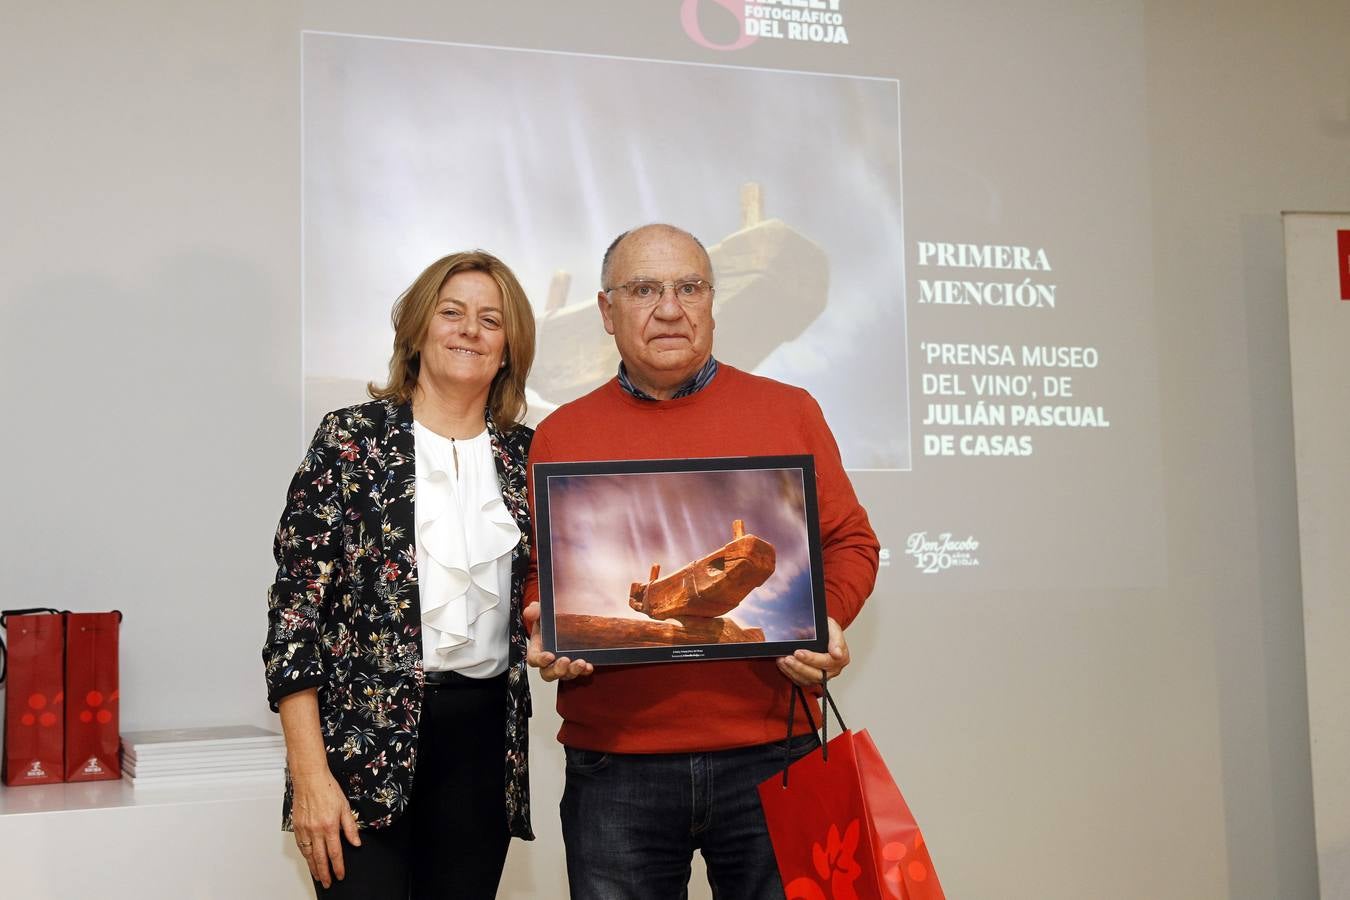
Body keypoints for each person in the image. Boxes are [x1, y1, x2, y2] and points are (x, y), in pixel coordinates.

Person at [523, 224, 880, 899]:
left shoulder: (789, 411)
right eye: (644, 289)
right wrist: (543, 624)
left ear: (713, 302)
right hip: (616, 764)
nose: (669, 307)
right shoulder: (561, 432)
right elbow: (543, 574)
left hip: (775, 753)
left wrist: (824, 617)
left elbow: (852, 541)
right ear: (606, 311)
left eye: (689, 287)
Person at [263, 250, 537, 898]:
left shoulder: (528, 455)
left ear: (508, 349)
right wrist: (308, 773)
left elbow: (546, 599)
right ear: (417, 331)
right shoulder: (350, 438)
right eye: (452, 312)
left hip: (483, 751)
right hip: (357, 752)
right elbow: (293, 615)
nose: (470, 329)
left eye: (490, 319)